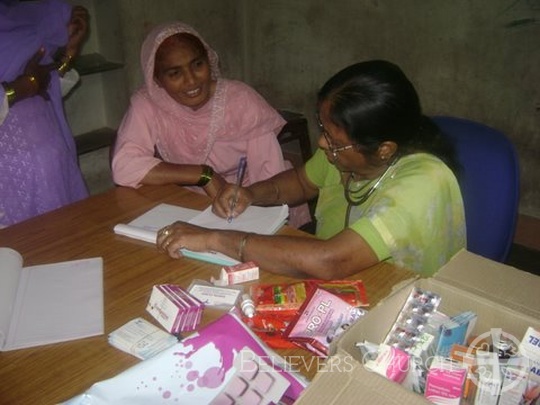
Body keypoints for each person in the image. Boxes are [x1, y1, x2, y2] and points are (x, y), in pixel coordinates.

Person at [156, 60, 466, 279]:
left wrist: (214, 239)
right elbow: (299, 184)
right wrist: (250, 193)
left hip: (400, 301)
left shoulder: (424, 182)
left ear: (384, 148)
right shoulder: (344, 155)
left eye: (333, 139)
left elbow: (330, 260)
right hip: (335, 280)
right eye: (323, 129)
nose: (322, 142)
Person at [111, 22, 311, 228]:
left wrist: (250, 219)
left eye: (197, 65)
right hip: (187, 202)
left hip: (249, 201)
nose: (191, 81)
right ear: (157, 80)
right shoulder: (149, 103)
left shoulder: (241, 101)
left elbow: (270, 178)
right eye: (174, 74)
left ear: (209, 60)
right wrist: (204, 175)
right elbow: (125, 167)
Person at [0, 0, 89, 228]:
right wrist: (19, 88)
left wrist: (68, 53)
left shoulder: (21, 17)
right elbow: (28, 86)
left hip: (53, 173)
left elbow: (44, 90)